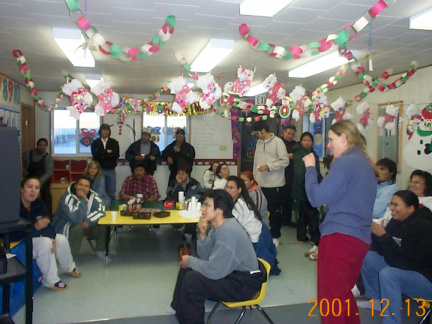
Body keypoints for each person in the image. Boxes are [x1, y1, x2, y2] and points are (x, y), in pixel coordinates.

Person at [302, 120, 377, 324]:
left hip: (340, 237)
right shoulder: (363, 163)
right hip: (358, 238)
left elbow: (316, 198)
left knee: (330, 298)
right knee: (343, 295)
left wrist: (310, 169)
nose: (328, 145)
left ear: (344, 138)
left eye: (331, 139)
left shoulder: (346, 162)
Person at [167, 189, 266, 324]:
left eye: (207, 205)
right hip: (232, 274)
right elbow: (205, 255)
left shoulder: (228, 231)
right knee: (188, 269)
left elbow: (214, 271)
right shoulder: (218, 226)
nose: (202, 209)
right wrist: (202, 234)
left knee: (193, 280)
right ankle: (178, 308)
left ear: (219, 210)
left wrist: (189, 260)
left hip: (243, 285)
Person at [360, 190, 432, 324]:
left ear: (410, 209)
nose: (391, 208)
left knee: (389, 274)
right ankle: (376, 300)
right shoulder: (397, 220)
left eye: (396, 205)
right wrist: (377, 236)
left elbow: (406, 263)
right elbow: (383, 252)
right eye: (391, 204)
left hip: (426, 279)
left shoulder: (422, 226)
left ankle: (392, 321)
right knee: (368, 256)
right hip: (408, 268)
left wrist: (384, 236)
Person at [20, 177, 81, 291]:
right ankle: (51, 281)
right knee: (45, 243)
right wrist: (36, 228)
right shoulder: (14, 207)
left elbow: (48, 224)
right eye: (29, 187)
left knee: (60, 239)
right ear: (22, 189)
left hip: (36, 237)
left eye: (36, 188)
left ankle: (69, 267)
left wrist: (52, 238)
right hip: (20, 241)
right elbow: (13, 234)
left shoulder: (38, 203)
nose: (33, 191)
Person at [252, 120, 289, 247]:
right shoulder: (258, 142)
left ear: (263, 130)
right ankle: (261, 234)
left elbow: (285, 161)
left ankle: (275, 236)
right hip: (260, 183)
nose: (256, 135)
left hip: (274, 183)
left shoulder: (278, 142)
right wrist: (254, 179)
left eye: (257, 133)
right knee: (259, 210)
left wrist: (268, 166)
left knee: (274, 211)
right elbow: (256, 161)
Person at [53, 176, 106, 261]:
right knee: (77, 228)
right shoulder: (67, 197)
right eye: (80, 185)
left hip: (84, 224)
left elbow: (101, 210)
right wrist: (83, 200)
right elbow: (74, 218)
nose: (83, 188)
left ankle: (100, 250)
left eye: (86, 186)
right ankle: (70, 257)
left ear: (89, 188)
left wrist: (88, 221)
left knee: (102, 226)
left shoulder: (94, 196)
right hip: (66, 226)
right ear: (75, 186)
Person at [291, 132, 322, 259]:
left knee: (304, 213)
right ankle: (315, 239)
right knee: (312, 214)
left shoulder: (313, 154)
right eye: (304, 140)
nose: (307, 142)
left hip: (307, 188)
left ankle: (301, 236)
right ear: (300, 141)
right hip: (303, 188)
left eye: (309, 140)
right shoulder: (298, 152)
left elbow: (317, 172)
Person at [166, 166, 206, 243]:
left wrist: (192, 199)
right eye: (179, 173)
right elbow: (170, 195)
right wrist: (178, 184)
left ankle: (190, 234)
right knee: (176, 224)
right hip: (176, 206)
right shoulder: (172, 182)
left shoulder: (194, 183)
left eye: (183, 174)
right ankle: (180, 226)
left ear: (187, 174)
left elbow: (201, 193)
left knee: (190, 218)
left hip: (190, 206)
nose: (181, 176)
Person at [225, 176, 262, 244]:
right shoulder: (234, 201)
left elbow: (232, 226)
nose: (227, 190)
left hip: (253, 239)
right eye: (227, 187)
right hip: (247, 235)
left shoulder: (240, 205)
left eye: (231, 188)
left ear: (239, 190)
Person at [22, 138, 53, 215]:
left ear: (46, 146)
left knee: (46, 200)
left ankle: (47, 218)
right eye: (40, 145)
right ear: (37, 145)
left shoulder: (47, 157)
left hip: (43, 182)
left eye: (44, 145)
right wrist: (23, 171)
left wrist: (39, 182)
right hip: (29, 180)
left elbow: (48, 172)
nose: (42, 147)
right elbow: (19, 163)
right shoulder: (28, 154)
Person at [91, 123, 120, 204]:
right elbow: (96, 155)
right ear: (100, 131)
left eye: (107, 130)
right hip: (99, 170)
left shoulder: (114, 142)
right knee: (99, 190)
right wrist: (107, 152)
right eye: (103, 130)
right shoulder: (95, 142)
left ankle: (112, 207)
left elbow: (115, 155)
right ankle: (99, 206)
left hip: (111, 169)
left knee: (111, 191)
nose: (105, 132)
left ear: (109, 132)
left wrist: (102, 154)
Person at [281, 125, 297, 225]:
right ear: (284, 132)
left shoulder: (295, 145)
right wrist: (287, 156)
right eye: (289, 133)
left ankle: (287, 219)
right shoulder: (279, 143)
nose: (290, 136)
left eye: (292, 134)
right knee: (280, 198)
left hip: (291, 174)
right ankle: (280, 219)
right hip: (280, 173)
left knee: (289, 198)